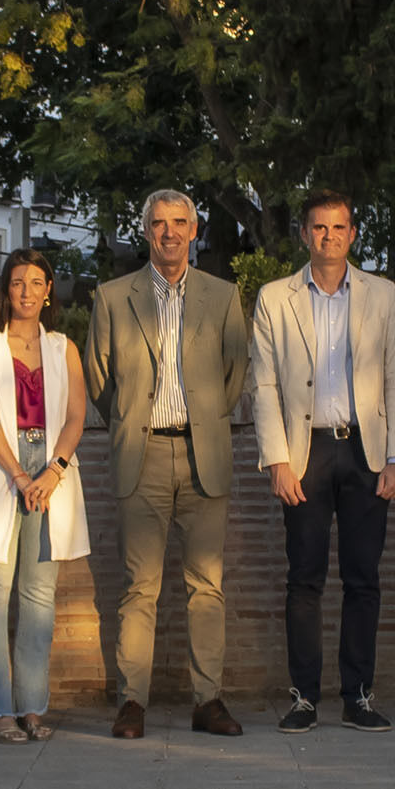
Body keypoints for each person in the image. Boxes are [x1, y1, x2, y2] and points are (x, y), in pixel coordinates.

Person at [85, 189, 251, 737]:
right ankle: (132, 702)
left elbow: (233, 375)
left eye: (180, 222)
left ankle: (209, 701)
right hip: (143, 455)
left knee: (207, 586)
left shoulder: (223, 296)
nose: (170, 232)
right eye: (159, 223)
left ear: (194, 230)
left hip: (205, 455)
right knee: (140, 587)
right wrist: (133, 420)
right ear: (146, 230)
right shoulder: (113, 298)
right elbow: (100, 379)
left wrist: (203, 421)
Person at [249, 191, 395, 734]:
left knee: (364, 578)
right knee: (304, 578)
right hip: (305, 452)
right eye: (318, 228)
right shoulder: (276, 298)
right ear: (304, 234)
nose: (329, 237)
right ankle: (304, 698)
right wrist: (277, 459)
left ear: (353, 234)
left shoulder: (382, 295)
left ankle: (358, 695)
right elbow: (264, 384)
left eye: (338, 228)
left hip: (367, 451)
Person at [0, 249, 90, 740]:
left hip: (50, 467)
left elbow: (76, 416)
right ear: (6, 290)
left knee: (38, 596)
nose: (27, 291)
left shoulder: (63, 347)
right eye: (17, 282)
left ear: (48, 290)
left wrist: (53, 471)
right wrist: (17, 473)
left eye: (36, 282)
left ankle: (31, 706)